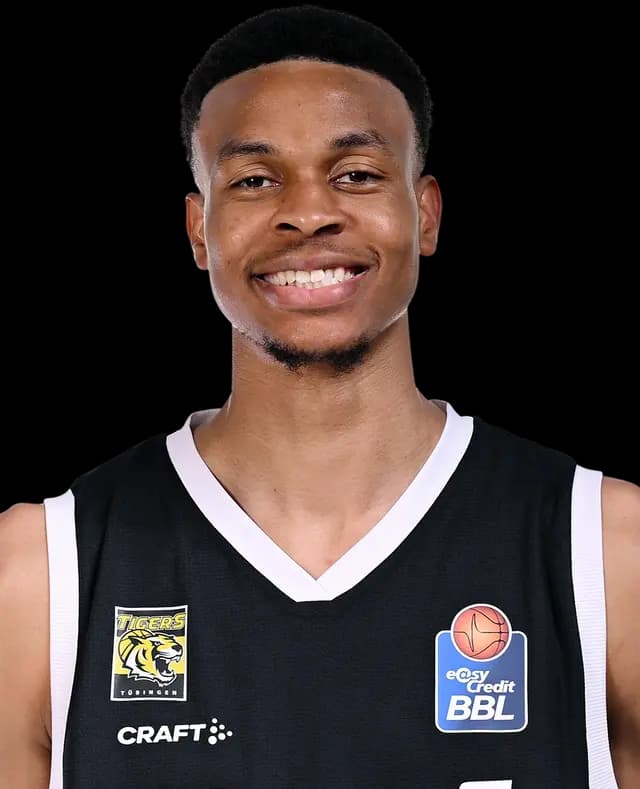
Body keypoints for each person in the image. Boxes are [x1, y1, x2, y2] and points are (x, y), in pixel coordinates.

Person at [1, 5, 637, 788]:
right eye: (255, 180)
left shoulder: (607, 552)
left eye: (357, 174)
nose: (307, 213)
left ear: (425, 213)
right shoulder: (39, 572)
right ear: (199, 230)